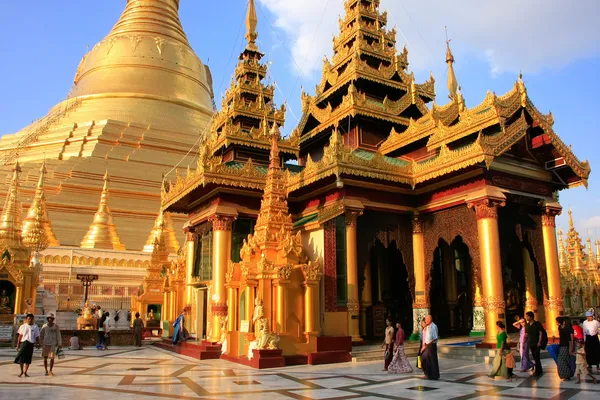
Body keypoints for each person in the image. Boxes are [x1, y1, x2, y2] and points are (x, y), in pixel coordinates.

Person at [420, 315, 440, 380]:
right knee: (424, 359)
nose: (425, 321)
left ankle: (432, 375)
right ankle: (428, 374)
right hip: (427, 345)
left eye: (426, 319)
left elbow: (435, 338)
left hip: (431, 345)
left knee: (431, 360)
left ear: (430, 319)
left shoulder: (434, 326)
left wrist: (428, 344)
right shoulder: (428, 327)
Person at [555, 317, 574, 381]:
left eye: (557, 321)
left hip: (566, 345)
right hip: (561, 345)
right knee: (561, 361)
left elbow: (570, 339)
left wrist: (571, 347)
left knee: (565, 360)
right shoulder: (560, 328)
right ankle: (565, 375)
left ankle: (567, 375)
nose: (556, 323)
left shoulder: (567, 328)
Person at [525, 311, 543, 376]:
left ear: (531, 317)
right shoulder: (527, 325)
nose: (526, 317)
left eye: (527, 316)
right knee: (535, 357)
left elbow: (541, 333)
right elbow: (526, 334)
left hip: (536, 342)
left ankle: (538, 371)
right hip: (531, 342)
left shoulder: (537, 324)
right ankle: (539, 369)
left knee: (537, 356)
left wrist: (539, 342)